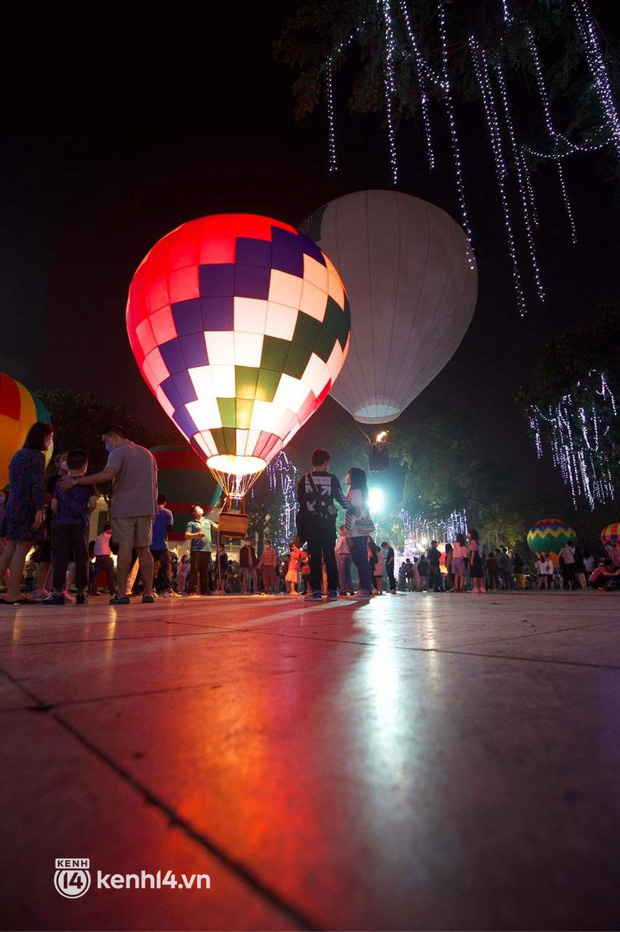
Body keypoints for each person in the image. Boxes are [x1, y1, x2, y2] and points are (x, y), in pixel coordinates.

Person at [58, 425, 158, 605]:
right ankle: (149, 592)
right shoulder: (147, 454)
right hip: (147, 507)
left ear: (113, 437)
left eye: (106, 441)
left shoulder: (118, 452)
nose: (106, 446)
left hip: (124, 507)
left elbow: (107, 474)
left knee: (126, 546)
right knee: (144, 548)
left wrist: (76, 481)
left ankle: (121, 594)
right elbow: (155, 484)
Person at [0, 422, 53, 605]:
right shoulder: (37, 457)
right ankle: (14, 593)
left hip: (12, 506)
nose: (50, 440)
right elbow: (37, 485)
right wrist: (39, 510)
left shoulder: (18, 455)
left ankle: (10, 591)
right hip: (27, 507)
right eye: (49, 437)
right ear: (43, 437)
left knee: (10, 549)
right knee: (21, 550)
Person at [296, 448, 352, 602]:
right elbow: (341, 499)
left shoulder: (304, 479)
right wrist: (353, 508)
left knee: (314, 557)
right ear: (326, 462)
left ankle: (316, 592)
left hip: (311, 523)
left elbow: (299, 500)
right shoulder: (332, 479)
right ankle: (333, 591)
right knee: (329, 556)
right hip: (328, 523)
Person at [43, 450, 97, 605]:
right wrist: (85, 513)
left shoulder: (60, 483)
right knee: (82, 557)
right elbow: (93, 504)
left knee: (61, 556)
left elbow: (53, 506)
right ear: (84, 466)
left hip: (61, 523)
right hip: (80, 523)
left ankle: (57, 592)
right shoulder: (87, 483)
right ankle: (82, 592)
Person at [344, 467, 373, 600]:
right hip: (362, 530)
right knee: (362, 560)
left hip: (356, 532)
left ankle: (364, 589)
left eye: (348, 474)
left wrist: (348, 533)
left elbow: (352, 513)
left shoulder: (355, 492)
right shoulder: (360, 492)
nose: (346, 477)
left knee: (360, 560)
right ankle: (367, 587)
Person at [185, 504, 218, 595]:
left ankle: (205, 590)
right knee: (194, 570)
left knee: (205, 571)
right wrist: (197, 535)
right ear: (194, 513)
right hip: (196, 550)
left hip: (207, 550)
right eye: (198, 509)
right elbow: (187, 535)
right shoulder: (191, 523)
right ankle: (191, 590)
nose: (200, 509)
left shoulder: (208, 521)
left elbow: (219, 528)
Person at [151, 493, 176, 597]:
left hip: (150, 544)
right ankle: (167, 590)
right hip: (162, 544)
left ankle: (150, 589)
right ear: (165, 502)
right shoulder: (167, 512)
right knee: (166, 567)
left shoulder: (150, 512)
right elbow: (169, 528)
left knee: (150, 568)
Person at [90, 524, 116, 595]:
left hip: (98, 557)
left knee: (97, 575)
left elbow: (95, 548)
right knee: (110, 575)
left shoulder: (99, 537)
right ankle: (112, 590)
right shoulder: (110, 537)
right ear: (109, 529)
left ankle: (93, 590)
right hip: (106, 557)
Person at [336, 526, 354, 596]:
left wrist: (334, 551)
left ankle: (343, 590)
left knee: (342, 574)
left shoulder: (342, 538)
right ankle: (351, 589)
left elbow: (339, 547)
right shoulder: (349, 539)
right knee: (348, 573)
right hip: (349, 555)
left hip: (342, 555)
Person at [468, 529, 485, 594]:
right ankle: (482, 587)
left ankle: (475, 587)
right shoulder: (479, 542)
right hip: (479, 558)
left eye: (469, 534)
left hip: (475, 558)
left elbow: (473, 551)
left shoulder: (472, 541)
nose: (468, 535)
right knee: (480, 573)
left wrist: (471, 559)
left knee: (475, 574)